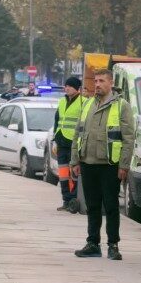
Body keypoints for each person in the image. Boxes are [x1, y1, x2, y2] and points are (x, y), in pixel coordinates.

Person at [70, 69, 136, 261]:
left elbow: (128, 138)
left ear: (110, 83)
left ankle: (113, 245)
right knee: (92, 206)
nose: (97, 84)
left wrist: (124, 165)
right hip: (88, 162)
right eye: (96, 81)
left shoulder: (121, 106)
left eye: (101, 81)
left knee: (111, 206)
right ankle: (93, 243)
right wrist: (75, 160)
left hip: (110, 165)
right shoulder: (87, 104)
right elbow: (78, 133)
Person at [53, 76, 85, 213]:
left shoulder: (83, 102)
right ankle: (66, 200)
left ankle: (73, 200)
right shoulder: (62, 101)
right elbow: (57, 120)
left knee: (74, 174)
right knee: (63, 174)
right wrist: (54, 138)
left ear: (77, 88)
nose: (67, 88)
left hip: (73, 143)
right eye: (66, 86)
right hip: (61, 141)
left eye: (70, 86)